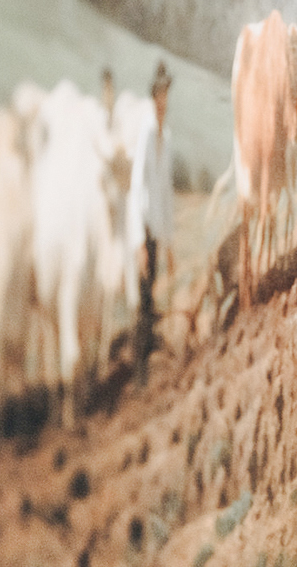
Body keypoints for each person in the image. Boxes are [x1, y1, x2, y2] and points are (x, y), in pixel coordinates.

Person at [127, 61, 174, 384]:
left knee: (151, 295)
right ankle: (139, 371)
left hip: (156, 229)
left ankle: (145, 359)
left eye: (167, 94)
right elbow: (137, 185)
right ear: (153, 96)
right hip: (144, 228)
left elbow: (166, 192)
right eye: (159, 94)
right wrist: (139, 242)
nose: (163, 100)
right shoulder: (145, 131)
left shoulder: (166, 136)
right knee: (143, 300)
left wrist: (167, 241)